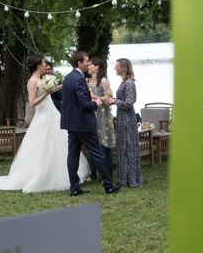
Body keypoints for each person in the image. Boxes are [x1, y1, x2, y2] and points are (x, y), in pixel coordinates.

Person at [0, 55, 90, 193]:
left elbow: (51, 90)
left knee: (60, 144)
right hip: (42, 116)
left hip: (53, 114)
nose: (45, 66)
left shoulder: (43, 79)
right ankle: (42, 176)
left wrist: (63, 85)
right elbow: (32, 103)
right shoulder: (32, 81)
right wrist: (45, 94)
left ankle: (65, 175)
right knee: (43, 146)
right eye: (43, 63)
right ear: (37, 65)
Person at [60, 50, 120, 196]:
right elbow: (84, 104)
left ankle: (74, 188)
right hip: (83, 124)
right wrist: (97, 102)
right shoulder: (80, 79)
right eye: (86, 61)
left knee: (72, 154)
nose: (88, 63)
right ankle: (108, 185)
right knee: (97, 153)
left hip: (71, 123)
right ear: (79, 63)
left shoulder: (68, 78)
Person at [103, 58, 142, 188]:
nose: (115, 68)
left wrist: (115, 102)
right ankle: (124, 179)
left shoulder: (129, 83)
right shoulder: (123, 82)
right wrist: (113, 100)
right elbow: (123, 100)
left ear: (124, 68)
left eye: (117, 66)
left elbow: (129, 103)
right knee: (123, 148)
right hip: (121, 117)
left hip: (128, 119)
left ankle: (132, 179)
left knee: (129, 147)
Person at [86, 57, 116, 181]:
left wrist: (96, 97)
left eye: (91, 64)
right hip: (91, 114)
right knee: (92, 143)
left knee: (104, 144)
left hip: (103, 115)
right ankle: (93, 173)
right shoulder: (86, 81)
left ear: (97, 66)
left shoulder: (103, 81)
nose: (88, 66)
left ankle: (107, 174)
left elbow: (110, 98)